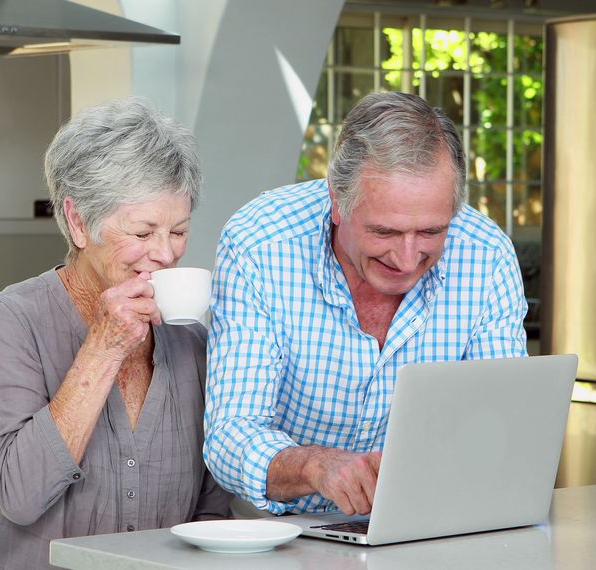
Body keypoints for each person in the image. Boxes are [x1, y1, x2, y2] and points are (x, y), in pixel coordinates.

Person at [203, 91, 527, 517]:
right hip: (280, 532)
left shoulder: (486, 255)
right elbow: (230, 434)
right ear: (338, 202)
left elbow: (504, 427)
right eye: (385, 233)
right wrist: (315, 466)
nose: (408, 259)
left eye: (431, 232)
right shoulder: (260, 244)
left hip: (425, 525)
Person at [0, 98, 231, 570]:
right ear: (80, 222)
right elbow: (21, 496)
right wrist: (103, 348)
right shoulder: (10, 321)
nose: (165, 253)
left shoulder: (191, 342)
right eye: (143, 234)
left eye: (178, 231)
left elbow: (211, 510)